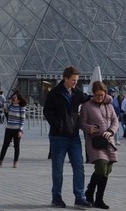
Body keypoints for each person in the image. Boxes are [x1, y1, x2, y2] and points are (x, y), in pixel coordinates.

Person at [43, 66, 90, 209]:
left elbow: (90, 99)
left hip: (74, 136)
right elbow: (47, 111)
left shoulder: (77, 93)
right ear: (65, 78)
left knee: (79, 166)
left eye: (77, 80)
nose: (76, 83)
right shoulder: (55, 93)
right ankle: (56, 197)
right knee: (58, 169)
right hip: (58, 137)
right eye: (73, 80)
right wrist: (59, 126)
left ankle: (79, 197)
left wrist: (105, 97)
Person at [79, 81, 118, 209]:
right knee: (101, 166)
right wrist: (89, 128)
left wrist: (111, 131)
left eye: (102, 95)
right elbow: (82, 123)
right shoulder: (86, 106)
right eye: (97, 95)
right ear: (93, 94)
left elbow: (115, 120)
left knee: (107, 170)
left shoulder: (109, 105)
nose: (100, 97)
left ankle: (98, 198)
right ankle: (90, 191)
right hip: (94, 142)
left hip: (108, 141)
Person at [0, 91, 27, 168]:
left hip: (17, 129)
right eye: (13, 97)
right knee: (5, 145)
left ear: (19, 100)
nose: (13, 99)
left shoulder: (22, 108)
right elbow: (3, 107)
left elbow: (23, 120)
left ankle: (15, 162)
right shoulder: (10, 106)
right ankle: (0, 161)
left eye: (15, 98)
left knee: (16, 146)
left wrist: (20, 130)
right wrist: (4, 100)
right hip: (9, 128)